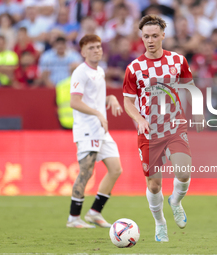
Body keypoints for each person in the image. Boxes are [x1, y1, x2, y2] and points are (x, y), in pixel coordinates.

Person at [123, 15, 205, 242]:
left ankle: (176, 201)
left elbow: (190, 87)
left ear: (163, 36)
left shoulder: (178, 61)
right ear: (141, 37)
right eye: (146, 36)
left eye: (154, 36)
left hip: (174, 126)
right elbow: (128, 102)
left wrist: (197, 110)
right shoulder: (134, 68)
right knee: (154, 184)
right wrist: (139, 119)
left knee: (184, 172)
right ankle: (160, 223)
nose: (150, 40)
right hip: (149, 132)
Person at [66, 34, 123, 228]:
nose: (97, 50)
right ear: (82, 52)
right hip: (87, 129)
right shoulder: (80, 72)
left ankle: (94, 213)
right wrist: (98, 114)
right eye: (91, 48)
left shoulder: (99, 71)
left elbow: (97, 98)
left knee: (116, 169)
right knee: (86, 172)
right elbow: (75, 101)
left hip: (101, 128)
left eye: (98, 46)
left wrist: (111, 99)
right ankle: (73, 218)